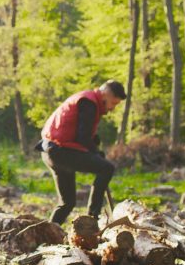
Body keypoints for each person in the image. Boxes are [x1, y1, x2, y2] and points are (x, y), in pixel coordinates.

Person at [36, 80, 126, 224]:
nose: (112, 108)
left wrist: (95, 147)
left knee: (67, 203)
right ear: (106, 94)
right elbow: (83, 137)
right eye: (113, 103)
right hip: (60, 151)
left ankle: (49, 233)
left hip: (50, 152)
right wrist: (95, 152)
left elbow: (81, 131)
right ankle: (92, 218)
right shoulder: (88, 102)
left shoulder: (87, 99)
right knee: (106, 168)